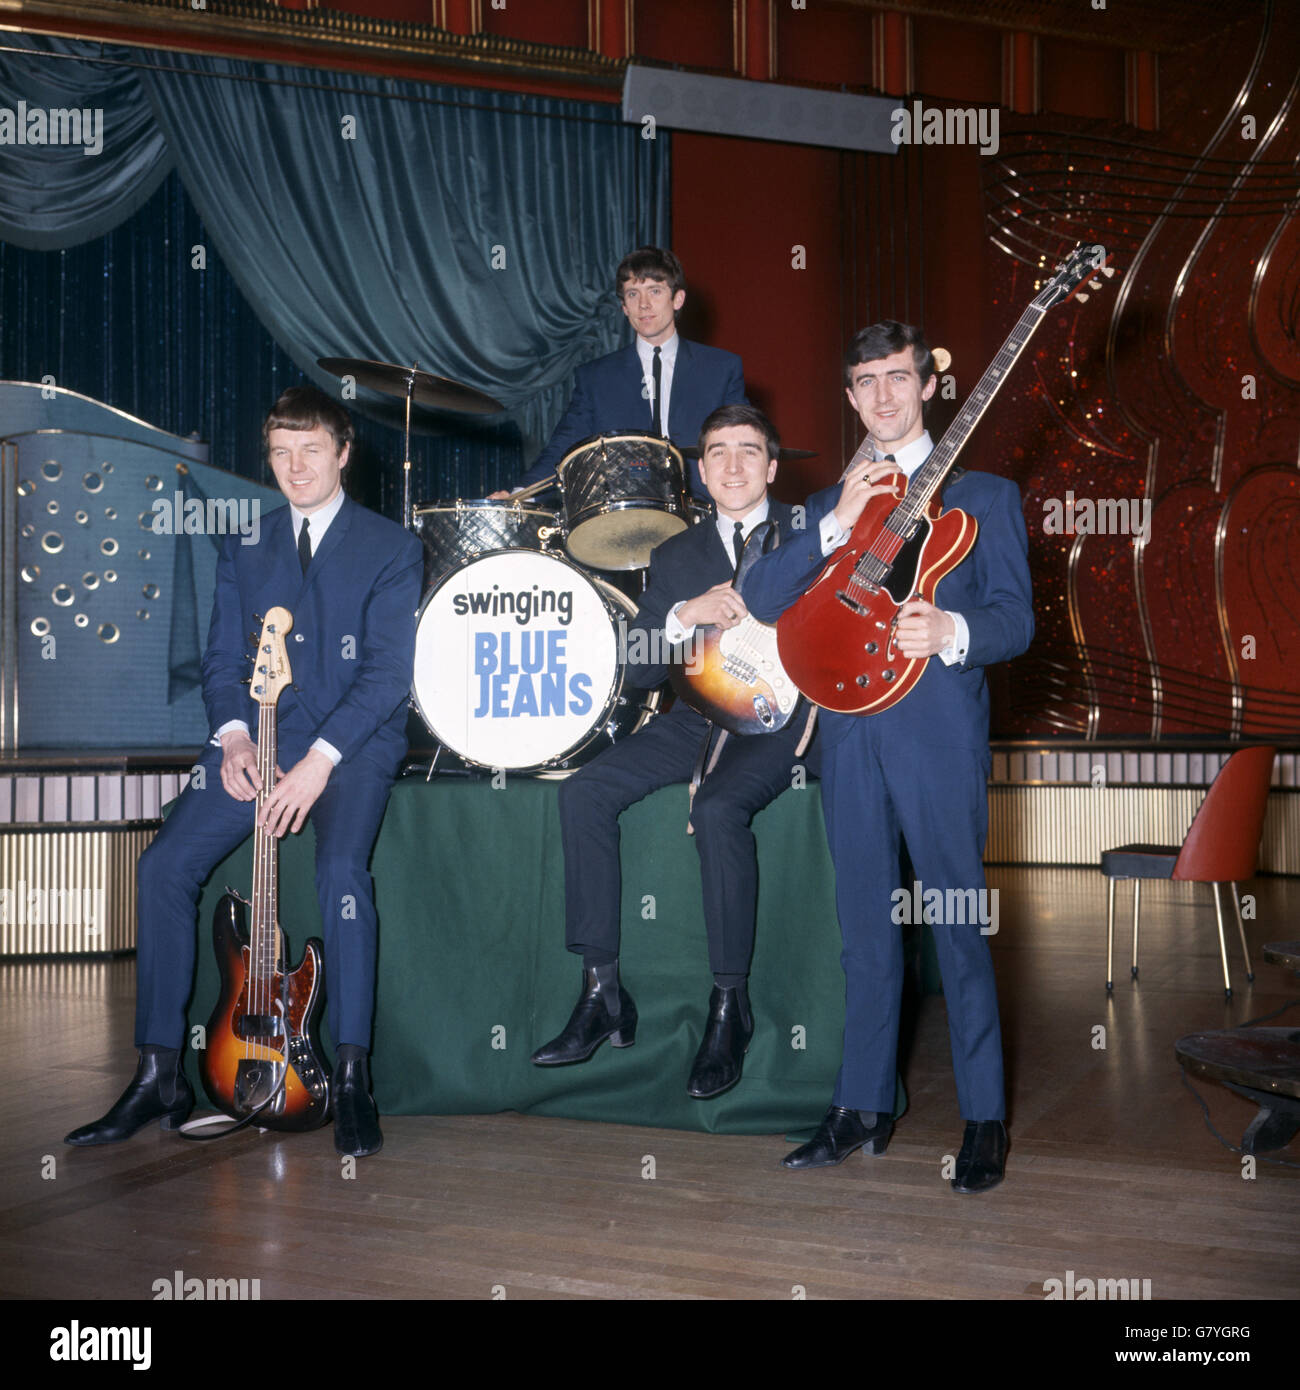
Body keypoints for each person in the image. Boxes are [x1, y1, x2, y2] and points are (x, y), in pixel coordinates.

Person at [65, 386, 424, 1158]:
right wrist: (230, 740)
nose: (294, 467)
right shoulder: (245, 542)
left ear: (344, 454)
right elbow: (222, 660)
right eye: (280, 453)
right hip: (254, 740)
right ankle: (159, 1070)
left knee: (340, 876)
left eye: (310, 451)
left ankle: (354, 1074)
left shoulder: (392, 547)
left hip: (351, 747)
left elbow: (389, 674)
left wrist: (318, 765)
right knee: (162, 867)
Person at [740, 322, 1034, 1192]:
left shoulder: (987, 494)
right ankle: (859, 1104)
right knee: (864, 928)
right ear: (850, 396)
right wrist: (831, 520)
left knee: (956, 925)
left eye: (897, 377)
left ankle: (983, 1116)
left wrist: (953, 629)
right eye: (865, 381)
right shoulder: (832, 500)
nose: (883, 395)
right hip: (849, 735)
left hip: (936, 734)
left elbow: (1017, 621)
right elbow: (759, 594)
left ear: (927, 386)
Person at [531, 403, 817, 1096]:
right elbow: (640, 668)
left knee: (718, 811)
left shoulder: (810, 536)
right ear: (699, 470)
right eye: (717, 452)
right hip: (695, 720)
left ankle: (730, 1004)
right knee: (583, 791)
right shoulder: (676, 553)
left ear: (773, 468)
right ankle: (602, 992)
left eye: (749, 452)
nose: (732, 465)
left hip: (782, 720)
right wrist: (685, 615)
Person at [492, 246, 746, 502]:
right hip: (625, 516)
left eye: (655, 291)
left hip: (703, 515)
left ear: (677, 299)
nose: (644, 304)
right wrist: (518, 497)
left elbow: (744, 446)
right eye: (633, 294)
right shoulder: (595, 378)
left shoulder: (722, 369)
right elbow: (563, 450)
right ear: (624, 307)